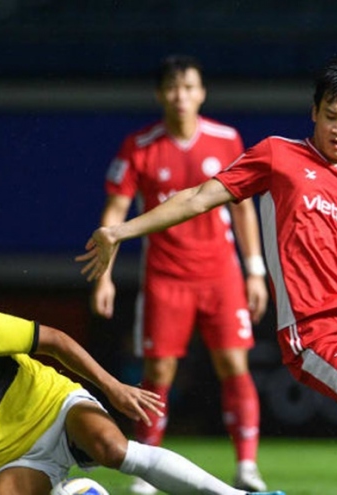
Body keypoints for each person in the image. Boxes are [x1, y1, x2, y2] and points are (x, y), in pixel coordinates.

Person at [78, 58, 337, 495]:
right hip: (314, 334)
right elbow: (199, 197)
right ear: (314, 112)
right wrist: (120, 231)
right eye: (330, 116)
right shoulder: (278, 155)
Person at [0, 281, 285, 495]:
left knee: (114, 447)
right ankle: (72, 491)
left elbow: (53, 341)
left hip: (56, 407)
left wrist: (112, 387)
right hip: (14, 458)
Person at [93, 54, 269, 494]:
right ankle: (146, 471)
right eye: (173, 87)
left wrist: (255, 270)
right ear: (160, 94)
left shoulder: (227, 140)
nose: (181, 95)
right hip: (166, 278)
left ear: (202, 93)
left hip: (221, 274)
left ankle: (246, 466)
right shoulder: (140, 145)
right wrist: (104, 275)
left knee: (233, 365)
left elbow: (243, 208)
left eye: (189, 87)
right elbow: (115, 212)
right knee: (159, 373)